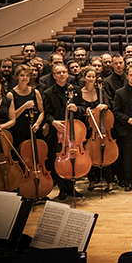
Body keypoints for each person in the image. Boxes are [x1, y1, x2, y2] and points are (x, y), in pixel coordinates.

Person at [43, 64, 82, 199]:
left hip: (73, 132)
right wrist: (53, 122)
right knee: (59, 160)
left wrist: (77, 109)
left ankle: (72, 187)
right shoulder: (48, 93)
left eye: (64, 72)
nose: (61, 75)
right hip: (57, 133)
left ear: (67, 74)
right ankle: (62, 189)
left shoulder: (76, 90)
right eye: (58, 73)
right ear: (54, 75)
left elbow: (83, 108)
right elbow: (47, 114)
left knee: (74, 159)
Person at [75, 66, 114, 191]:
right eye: (89, 76)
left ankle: (109, 181)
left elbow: (108, 105)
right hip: (88, 129)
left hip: (101, 127)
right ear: (84, 77)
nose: (91, 79)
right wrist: (84, 112)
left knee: (105, 152)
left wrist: (105, 106)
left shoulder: (101, 91)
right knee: (89, 154)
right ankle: (91, 180)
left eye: (93, 76)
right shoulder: (80, 92)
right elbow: (78, 109)